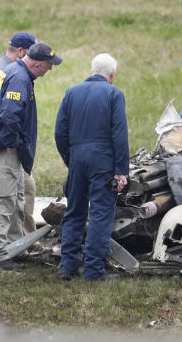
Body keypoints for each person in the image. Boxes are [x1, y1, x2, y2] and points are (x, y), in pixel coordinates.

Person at [0, 41, 62, 270]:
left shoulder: (16, 72)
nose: (50, 69)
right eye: (48, 65)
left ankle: (16, 247)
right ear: (36, 64)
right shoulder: (19, 78)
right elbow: (9, 116)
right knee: (4, 201)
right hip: (4, 151)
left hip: (4, 149)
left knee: (15, 199)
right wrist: (12, 144)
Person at [54, 53, 129, 281]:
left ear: (92, 69)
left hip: (77, 157)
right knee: (100, 214)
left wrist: (71, 159)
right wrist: (121, 170)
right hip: (103, 159)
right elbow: (119, 134)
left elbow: (60, 133)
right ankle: (94, 270)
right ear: (112, 75)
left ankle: (68, 266)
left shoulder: (71, 93)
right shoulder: (114, 94)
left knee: (74, 211)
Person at [0, 31, 40, 234]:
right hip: (2, 148)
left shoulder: (12, 70)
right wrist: (10, 143)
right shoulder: (0, 71)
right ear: (22, 51)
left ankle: (23, 241)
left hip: (10, 146)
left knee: (24, 192)